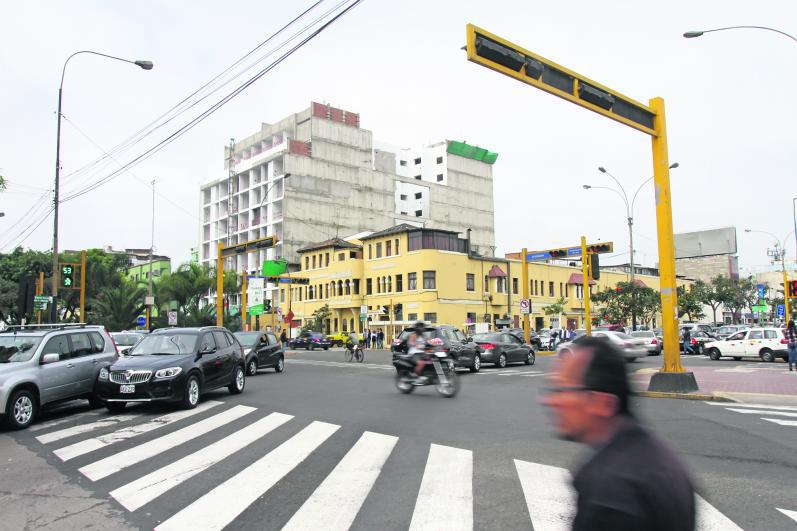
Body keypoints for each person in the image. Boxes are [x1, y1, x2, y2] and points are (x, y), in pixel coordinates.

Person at [543, 336, 695, 530]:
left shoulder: (611, 492)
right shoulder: (650, 454)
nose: (551, 401)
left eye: (562, 390)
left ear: (603, 403)